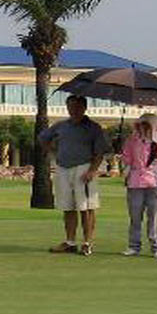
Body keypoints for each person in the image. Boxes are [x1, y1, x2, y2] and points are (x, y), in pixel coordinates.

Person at [39, 95, 111, 256]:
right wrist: (51, 150)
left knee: (86, 208)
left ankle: (87, 242)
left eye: (77, 107)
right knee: (68, 207)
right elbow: (43, 137)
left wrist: (92, 170)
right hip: (63, 168)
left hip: (84, 168)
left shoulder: (93, 127)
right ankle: (70, 242)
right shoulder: (61, 126)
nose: (73, 110)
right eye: (70, 107)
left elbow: (100, 152)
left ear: (84, 108)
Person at [120, 113, 157, 259]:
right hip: (135, 182)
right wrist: (121, 150)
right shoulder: (132, 142)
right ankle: (134, 246)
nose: (143, 128)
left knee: (155, 218)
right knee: (135, 217)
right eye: (141, 125)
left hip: (155, 183)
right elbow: (127, 160)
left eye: (146, 125)